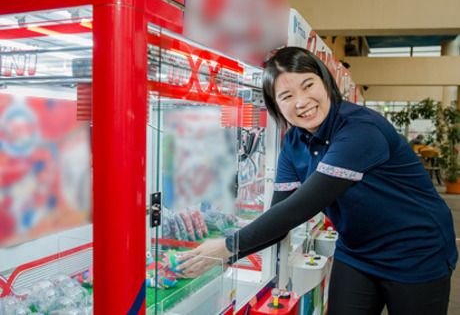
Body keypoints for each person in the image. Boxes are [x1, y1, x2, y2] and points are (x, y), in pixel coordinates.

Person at [177, 47, 458, 315]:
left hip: (416, 251)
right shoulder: (294, 143)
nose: (301, 102)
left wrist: (227, 246)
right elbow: (280, 218)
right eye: (286, 95)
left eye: (308, 85)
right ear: (275, 105)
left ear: (325, 82)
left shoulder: (360, 130)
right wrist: (224, 252)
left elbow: (301, 207)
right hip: (357, 251)